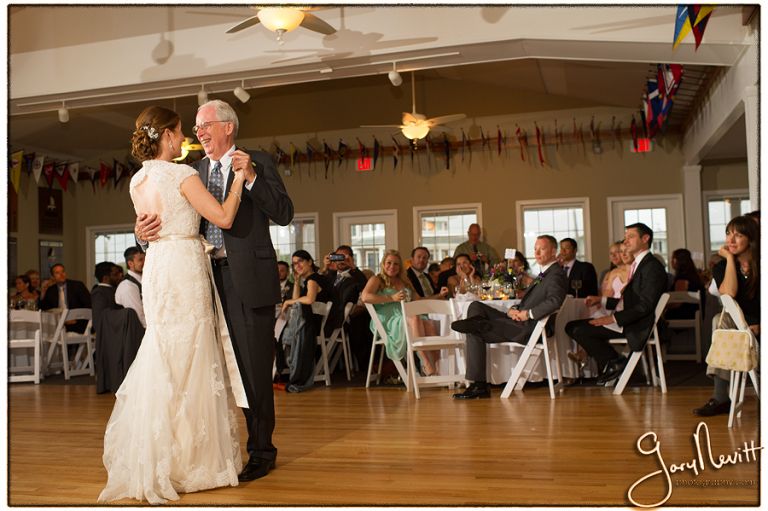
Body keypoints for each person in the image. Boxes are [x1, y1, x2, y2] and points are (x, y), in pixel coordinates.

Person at [134, 100, 293, 484]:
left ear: (228, 128)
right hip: (200, 279)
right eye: (195, 127)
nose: (199, 132)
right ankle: (213, 449)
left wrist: (250, 177)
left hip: (249, 279)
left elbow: (284, 212)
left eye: (206, 125)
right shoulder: (189, 171)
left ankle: (261, 450)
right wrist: (141, 234)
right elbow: (165, 217)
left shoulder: (259, 161)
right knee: (213, 369)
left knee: (254, 369)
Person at [99, 105, 251, 504]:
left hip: (157, 267)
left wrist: (141, 233)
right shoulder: (182, 174)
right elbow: (222, 217)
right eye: (181, 131)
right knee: (193, 354)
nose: (184, 138)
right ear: (166, 135)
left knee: (165, 351)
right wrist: (236, 181)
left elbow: (149, 227)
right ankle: (193, 461)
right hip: (183, 264)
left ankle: (160, 455)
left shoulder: (137, 180)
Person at [450, 235, 568, 399]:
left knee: (474, 330)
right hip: (518, 321)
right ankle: (479, 323)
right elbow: (528, 299)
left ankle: (479, 385)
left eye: (542, 248)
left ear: (554, 251)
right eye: (535, 248)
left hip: (529, 328)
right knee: (475, 306)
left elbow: (555, 301)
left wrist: (528, 314)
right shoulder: (545, 273)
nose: (537, 252)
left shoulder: (556, 274)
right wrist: (513, 309)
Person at [564, 223, 667, 386]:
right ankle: (615, 362)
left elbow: (645, 306)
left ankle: (615, 362)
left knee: (576, 328)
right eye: (625, 237)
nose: (625, 242)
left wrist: (614, 319)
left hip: (637, 325)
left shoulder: (652, 267)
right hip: (629, 319)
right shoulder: (639, 264)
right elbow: (629, 301)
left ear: (645, 239)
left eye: (630, 237)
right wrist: (608, 309)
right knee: (572, 326)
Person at [694, 216, 760, 417]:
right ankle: (721, 396)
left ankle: (721, 396)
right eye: (728, 234)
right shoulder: (722, 266)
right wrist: (730, 259)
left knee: (721, 325)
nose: (731, 240)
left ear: (751, 238)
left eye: (738, 235)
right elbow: (728, 294)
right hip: (742, 326)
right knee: (722, 322)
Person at [278, 250, 331, 393]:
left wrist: (288, 301)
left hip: (310, 324)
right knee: (281, 328)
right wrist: (296, 281)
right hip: (308, 321)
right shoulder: (310, 279)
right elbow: (298, 299)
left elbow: (309, 299)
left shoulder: (313, 279)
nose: (297, 265)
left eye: (300, 261)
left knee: (278, 331)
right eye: (294, 263)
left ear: (309, 261)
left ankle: (281, 370)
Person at [361, 250, 418, 369]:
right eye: (389, 263)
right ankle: (423, 363)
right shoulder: (377, 279)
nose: (392, 266)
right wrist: (391, 298)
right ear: (383, 264)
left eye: (396, 264)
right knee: (414, 319)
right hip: (387, 320)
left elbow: (418, 300)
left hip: (406, 316)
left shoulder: (405, 281)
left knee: (429, 324)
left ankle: (434, 368)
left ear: (400, 266)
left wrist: (438, 296)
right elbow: (365, 297)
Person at [40, 263, 91, 333]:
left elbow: (88, 305)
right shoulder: (51, 290)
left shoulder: (77, 286)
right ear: (53, 277)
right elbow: (44, 309)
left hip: (77, 323)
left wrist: (76, 319)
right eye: (57, 273)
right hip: (57, 324)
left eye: (63, 271)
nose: (61, 275)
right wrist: (43, 292)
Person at [665, 248, 704, 320]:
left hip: (683, 315)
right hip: (694, 313)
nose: (671, 261)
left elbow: (678, 302)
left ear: (677, 261)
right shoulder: (693, 276)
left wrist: (663, 306)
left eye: (672, 258)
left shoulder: (682, 279)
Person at [115, 246, 146, 327]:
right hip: (135, 333)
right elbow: (139, 316)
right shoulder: (128, 286)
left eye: (146, 259)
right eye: (140, 260)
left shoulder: (144, 280)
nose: (145, 262)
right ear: (130, 263)